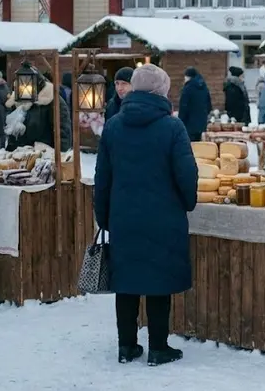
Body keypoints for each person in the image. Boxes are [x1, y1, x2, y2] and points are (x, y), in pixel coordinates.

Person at [94, 64, 197, 366]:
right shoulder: (172, 127)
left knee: (125, 282)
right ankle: (158, 347)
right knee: (158, 282)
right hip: (163, 218)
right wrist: (187, 202)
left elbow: (102, 177)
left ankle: (126, 346)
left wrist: (104, 217)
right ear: (161, 91)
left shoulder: (113, 125)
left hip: (124, 218)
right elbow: (187, 173)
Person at [5, 70, 71, 152]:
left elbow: (63, 130)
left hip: (45, 154)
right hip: (20, 155)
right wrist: (10, 151)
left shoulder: (53, 101)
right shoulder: (19, 100)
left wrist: (60, 154)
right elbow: (14, 130)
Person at [178, 66, 212, 142]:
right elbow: (209, 106)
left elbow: (183, 107)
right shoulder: (204, 87)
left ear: (188, 76)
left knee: (190, 146)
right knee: (199, 147)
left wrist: (180, 121)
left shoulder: (187, 88)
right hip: (202, 124)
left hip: (189, 125)